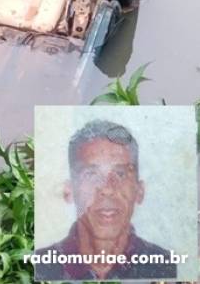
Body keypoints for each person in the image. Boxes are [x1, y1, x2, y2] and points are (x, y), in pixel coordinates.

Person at [35, 119, 176, 281]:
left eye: (120, 174)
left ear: (139, 191)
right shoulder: (39, 268)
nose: (107, 189)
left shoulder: (169, 268)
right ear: (69, 190)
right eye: (91, 174)